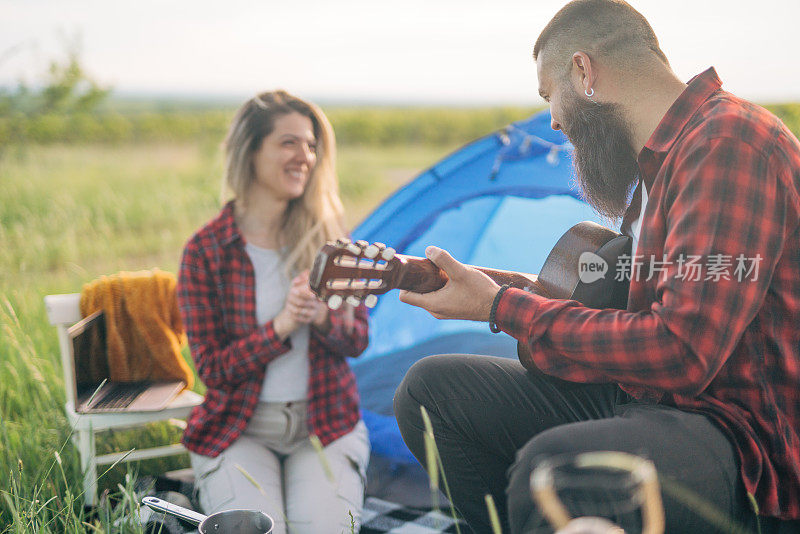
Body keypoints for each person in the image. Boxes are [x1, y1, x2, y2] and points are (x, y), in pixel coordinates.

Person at [393, 1, 800, 533]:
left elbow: (681, 349)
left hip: (736, 435)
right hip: (646, 400)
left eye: (549, 95)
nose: (555, 120)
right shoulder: (658, 164)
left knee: (557, 470)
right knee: (430, 394)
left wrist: (501, 306)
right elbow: (626, 312)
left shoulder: (727, 142)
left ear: (584, 71)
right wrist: (494, 289)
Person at [177, 90, 370, 534]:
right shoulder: (206, 252)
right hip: (238, 429)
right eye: (289, 142)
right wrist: (282, 326)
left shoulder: (330, 238)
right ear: (251, 151)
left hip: (325, 425)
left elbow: (358, 340)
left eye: (311, 145)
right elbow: (212, 369)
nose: (305, 155)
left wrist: (323, 316)